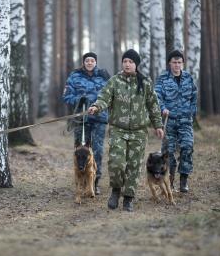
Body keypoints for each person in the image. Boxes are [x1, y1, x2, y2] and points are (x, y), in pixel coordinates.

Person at [88, 49, 164, 212]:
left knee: (133, 166)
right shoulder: (115, 81)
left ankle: (128, 198)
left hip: (138, 131)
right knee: (116, 163)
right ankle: (116, 191)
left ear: (136, 65)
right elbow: (104, 97)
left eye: (130, 62)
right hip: (118, 130)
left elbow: (153, 105)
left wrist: (158, 125)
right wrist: (96, 106)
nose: (127, 64)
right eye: (125, 61)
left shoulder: (145, 83)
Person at [63, 52, 110, 195]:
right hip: (80, 120)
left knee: (97, 150)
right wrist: (79, 99)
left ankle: (94, 182)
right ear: (83, 62)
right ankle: (80, 181)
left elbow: (109, 96)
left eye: (92, 60)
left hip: (99, 119)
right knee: (80, 152)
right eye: (87, 61)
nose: (89, 63)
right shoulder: (74, 77)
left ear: (96, 62)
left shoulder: (103, 77)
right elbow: (66, 96)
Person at [154, 50, 197, 193]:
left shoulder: (188, 78)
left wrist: (191, 111)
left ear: (183, 63)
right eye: (174, 62)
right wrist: (163, 108)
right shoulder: (162, 79)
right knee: (168, 152)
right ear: (169, 63)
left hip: (185, 121)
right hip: (169, 120)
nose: (177, 65)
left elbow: (194, 96)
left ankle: (183, 180)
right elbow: (157, 96)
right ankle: (169, 181)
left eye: (179, 62)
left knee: (187, 147)